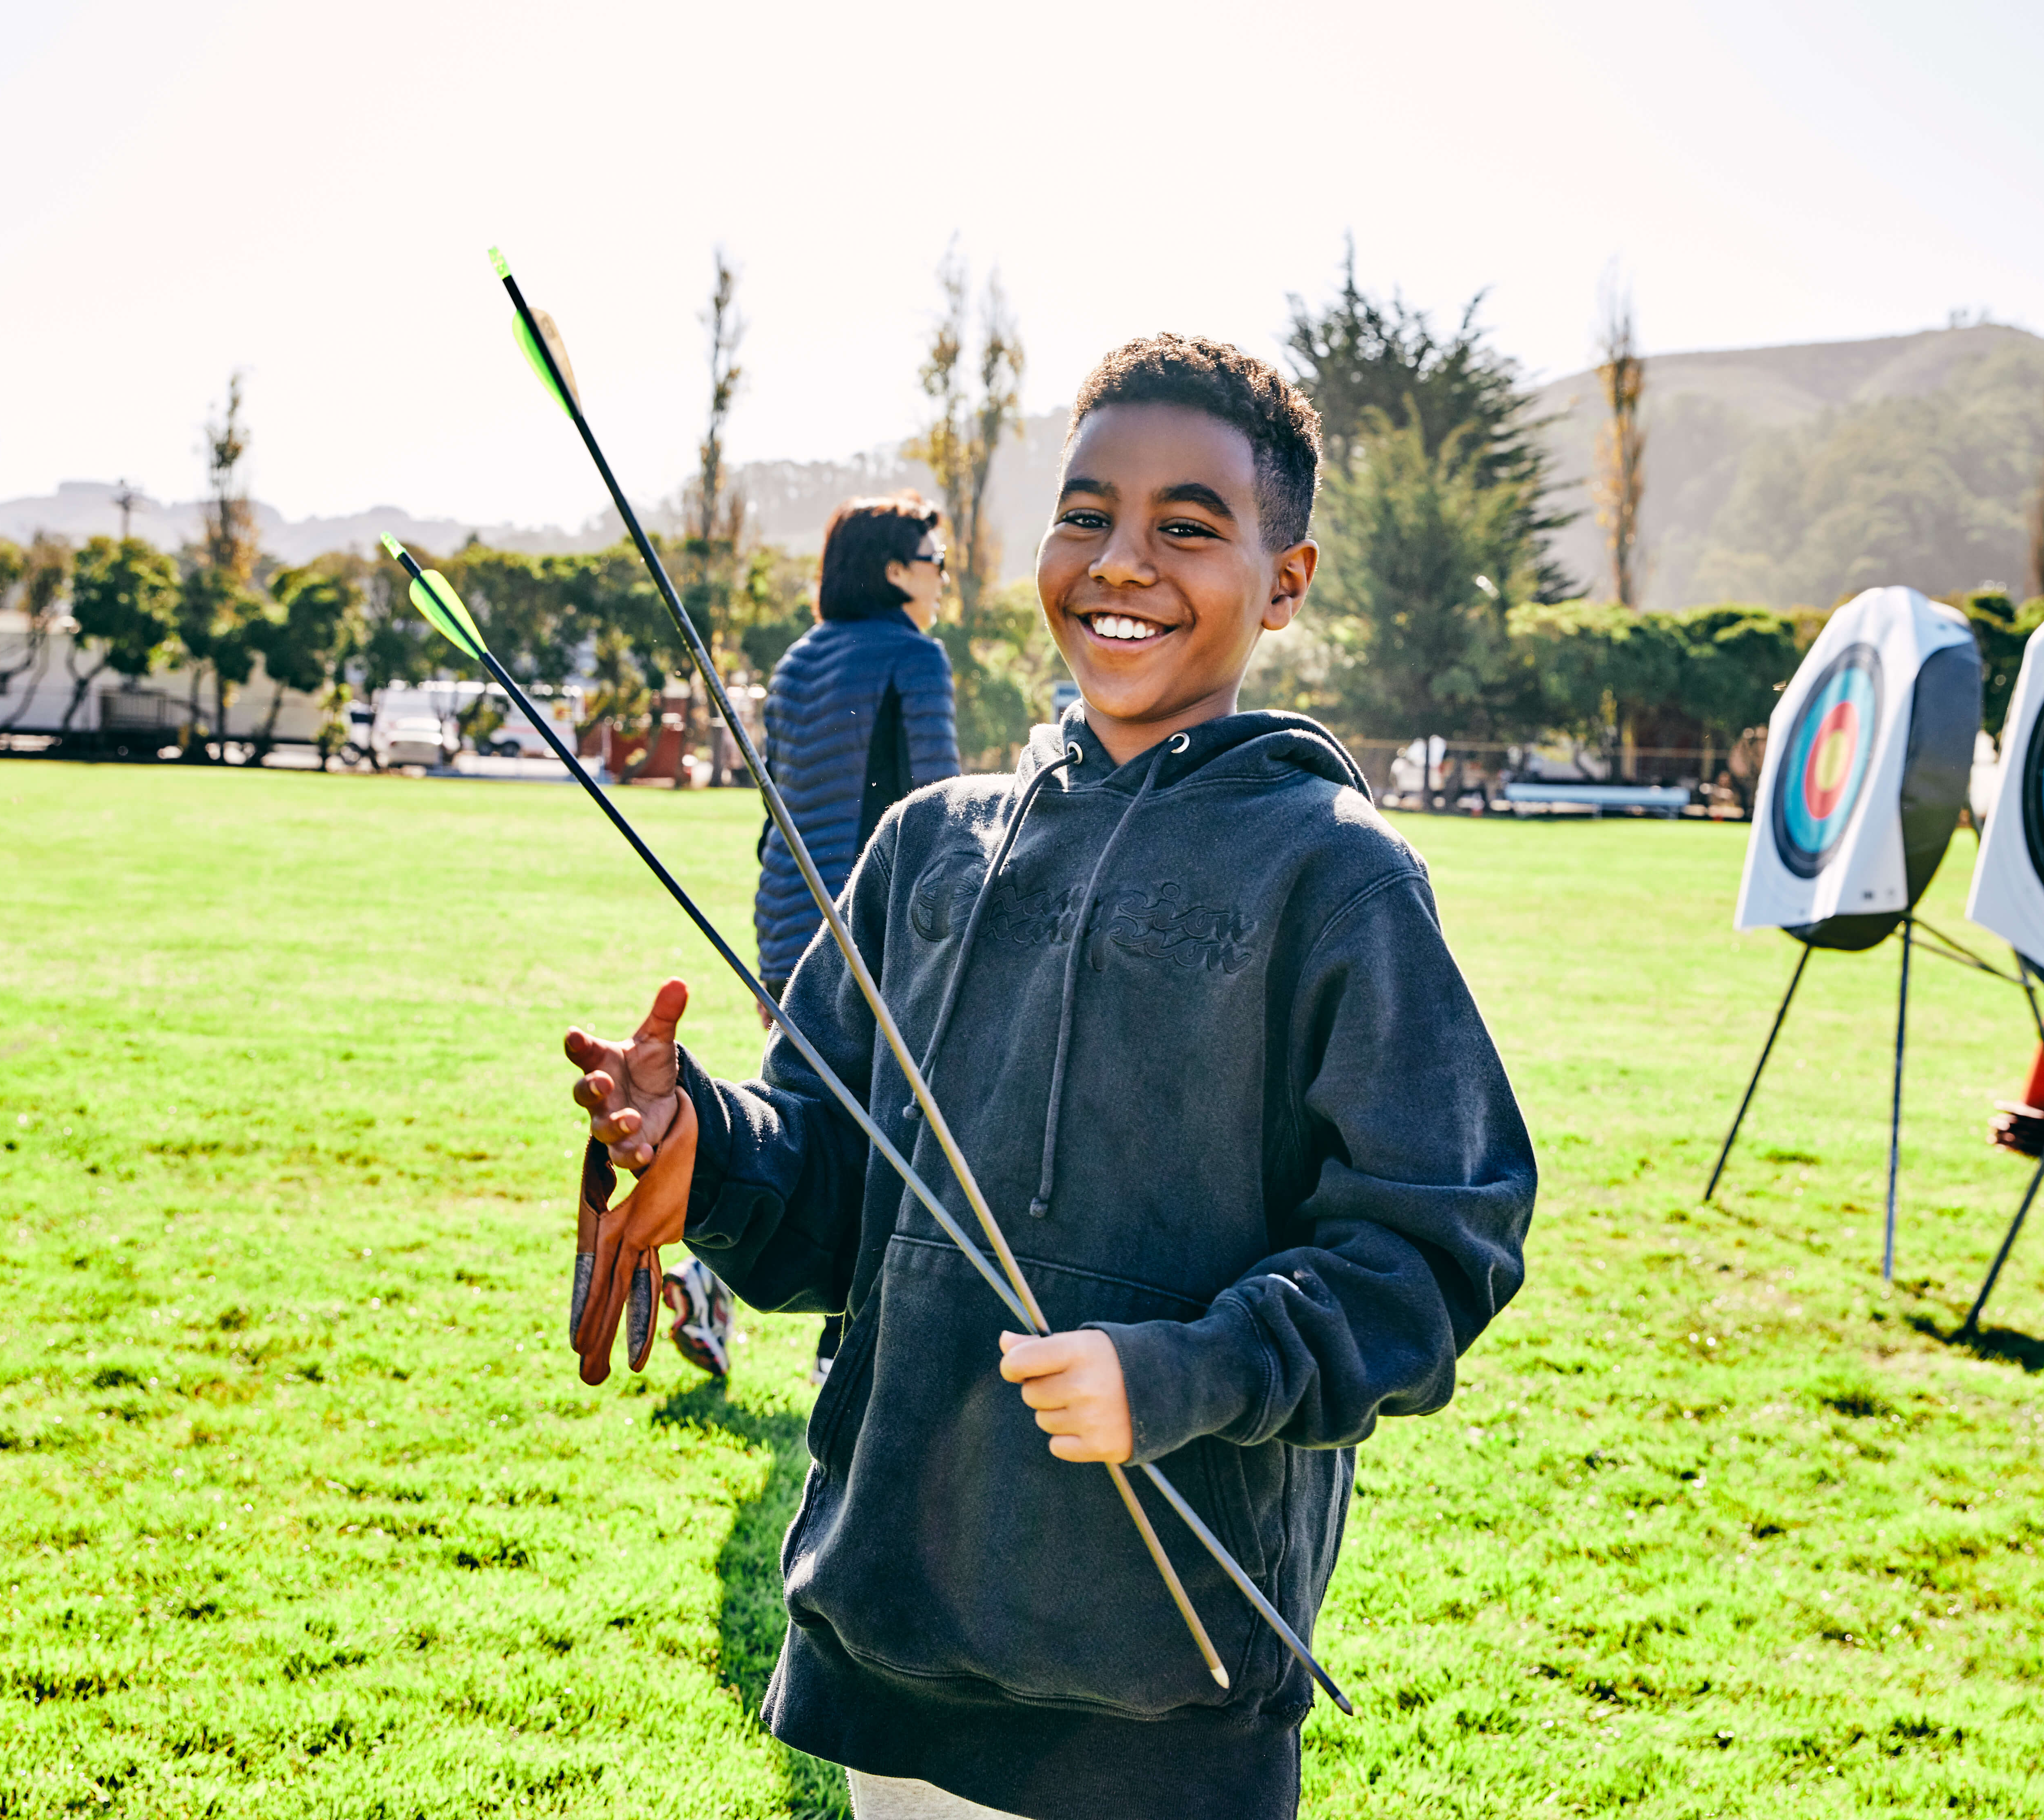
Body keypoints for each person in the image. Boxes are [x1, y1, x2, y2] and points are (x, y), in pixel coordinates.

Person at [564, 335, 1534, 1820]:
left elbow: (1433, 1251)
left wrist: (1185, 1374)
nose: (1122, 563)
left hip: (1159, 1696)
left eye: (1189, 527)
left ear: (1287, 579)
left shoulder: (1338, 878)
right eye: (1087, 515)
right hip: (894, 1645)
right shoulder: (928, 846)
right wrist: (713, 1147)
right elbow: (831, 1183)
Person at [666, 495, 961, 1384]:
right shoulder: (916, 658)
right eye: (933, 558)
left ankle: (708, 1279)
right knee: (891, 1147)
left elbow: (778, 813)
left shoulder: (798, 661)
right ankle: (845, 1358)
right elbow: (943, 817)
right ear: (893, 569)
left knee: (818, 1125)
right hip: (880, 932)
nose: (944, 575)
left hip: (786, 924)